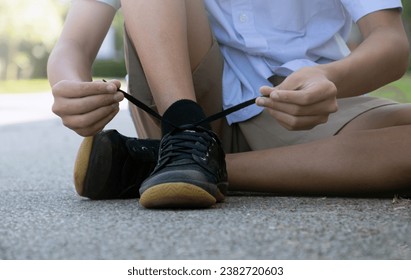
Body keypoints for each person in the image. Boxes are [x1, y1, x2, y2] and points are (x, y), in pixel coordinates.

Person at [48, 0, 411, 209]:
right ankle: (186, 141)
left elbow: (391, 42)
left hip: (306, 107)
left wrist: (331, 77)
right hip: (183, 97)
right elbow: (73, 46)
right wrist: (67, 85)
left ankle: (164, 163)